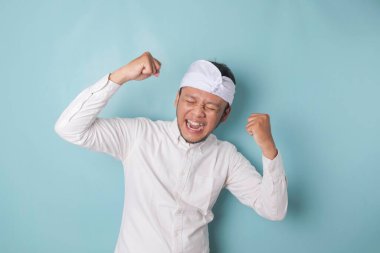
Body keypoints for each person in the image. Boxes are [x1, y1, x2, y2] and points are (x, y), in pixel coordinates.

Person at [54, 51, 288, 253]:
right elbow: (69, 128)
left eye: (210, 107)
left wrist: (268, 148)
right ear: (177, 99)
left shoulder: (226, 157)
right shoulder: (139, 136)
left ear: (225, 114)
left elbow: (274, 209)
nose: (197, 113)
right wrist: (122, 75)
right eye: (191, 101)